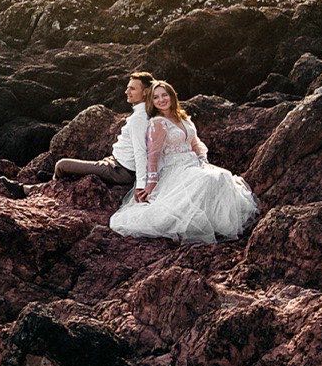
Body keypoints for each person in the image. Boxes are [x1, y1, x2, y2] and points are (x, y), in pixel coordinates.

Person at [110, 80, 258, 244]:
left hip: (194, 164)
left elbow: (195, 143)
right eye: (156, 97)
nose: (161, 100)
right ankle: (203, 227)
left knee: (223, 176)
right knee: (209, 180)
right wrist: (151, 183)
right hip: (175, 168)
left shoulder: (183, 118)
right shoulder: (157, 123)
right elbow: (153, 155)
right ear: (151, 102)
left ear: (172, 96)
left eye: (164, 95)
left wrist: (203, 160)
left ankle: (218, 225)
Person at [55, 72, 154, 187]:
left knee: (62, 165)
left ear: (145, 92)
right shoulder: (141, 113)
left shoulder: (139, 118)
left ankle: (39, 189)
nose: (126, 92)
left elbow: (140, 151)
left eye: (132, 89)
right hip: (115, 163)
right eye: (127, 88)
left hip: (120, 171)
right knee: (75, 172)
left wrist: (141, 185)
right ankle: (43, 186)